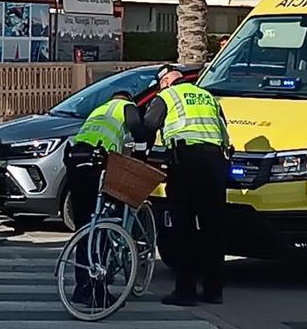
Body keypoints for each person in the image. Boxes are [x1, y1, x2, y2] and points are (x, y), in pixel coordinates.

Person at [142, 64, 231, 306]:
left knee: (183, 229)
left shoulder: (167, 95)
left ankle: (186, 291)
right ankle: (214, 291)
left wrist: (145, 150)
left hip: (186, 163)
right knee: (213, 230)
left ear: (166, 81)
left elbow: (148, 126)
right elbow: (224, 132)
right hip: (215, 164)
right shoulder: (207, 96)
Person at [63, 90, 145, 305]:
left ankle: (82, 287)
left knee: (85, 228)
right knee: (103, 225)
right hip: (96, 162)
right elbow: (138, 128)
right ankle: (97, 290)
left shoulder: (98, 110)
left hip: (75, 159)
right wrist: (143, 153)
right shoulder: (124, 107)